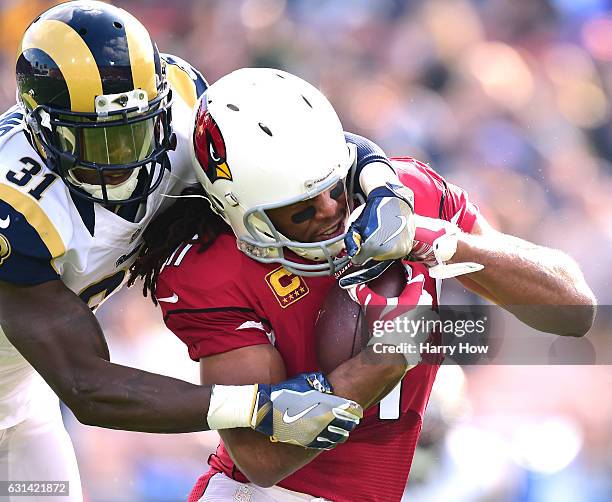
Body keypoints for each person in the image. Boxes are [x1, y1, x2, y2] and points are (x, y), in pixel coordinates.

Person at [130, 67, 597, 502]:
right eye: (302, 209)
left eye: (335, 187)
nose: (332, 209)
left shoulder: (405, 192)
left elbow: (574, 307)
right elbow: (261, 459)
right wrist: (382, 362)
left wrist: (434, 239)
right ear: (240, 210)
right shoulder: (212, 269)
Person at [0, 3, 380, 500]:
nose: (126, 158)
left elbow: (296, 147)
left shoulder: (180, 101)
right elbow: (88, 386)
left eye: (134, 130)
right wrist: (257, 406)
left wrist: (380, 181)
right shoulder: (16, 206)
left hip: (21, 399)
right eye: (101, 141)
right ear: (43, 130)